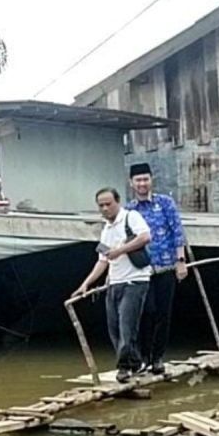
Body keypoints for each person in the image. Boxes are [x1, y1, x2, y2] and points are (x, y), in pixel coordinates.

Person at [72, 187, 152, 383]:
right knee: (114, 328)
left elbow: (145, 237)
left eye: (109, 204)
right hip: (114, 282)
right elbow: (102, 260)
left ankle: (124, 368)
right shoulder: (106, 229)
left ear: (118, 202)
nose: (105, 208)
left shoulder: (130, 217)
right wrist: (86, 284)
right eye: (101, 205)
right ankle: (135, 363)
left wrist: (120, 251)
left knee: (127, 326)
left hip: (135, 280)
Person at [126, 163, 187, 375]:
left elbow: (177, 231)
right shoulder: (129, 210)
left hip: (167, 266)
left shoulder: (165, 203)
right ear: (131, 183)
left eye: (145, 179)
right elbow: (124, 240)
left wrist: (181, 260)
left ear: (151, 180)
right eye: (138, 180)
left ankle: (158, 358)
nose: (142, 183)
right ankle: (143, 357)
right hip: (141, 270)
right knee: (145, 312)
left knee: (163, 313)